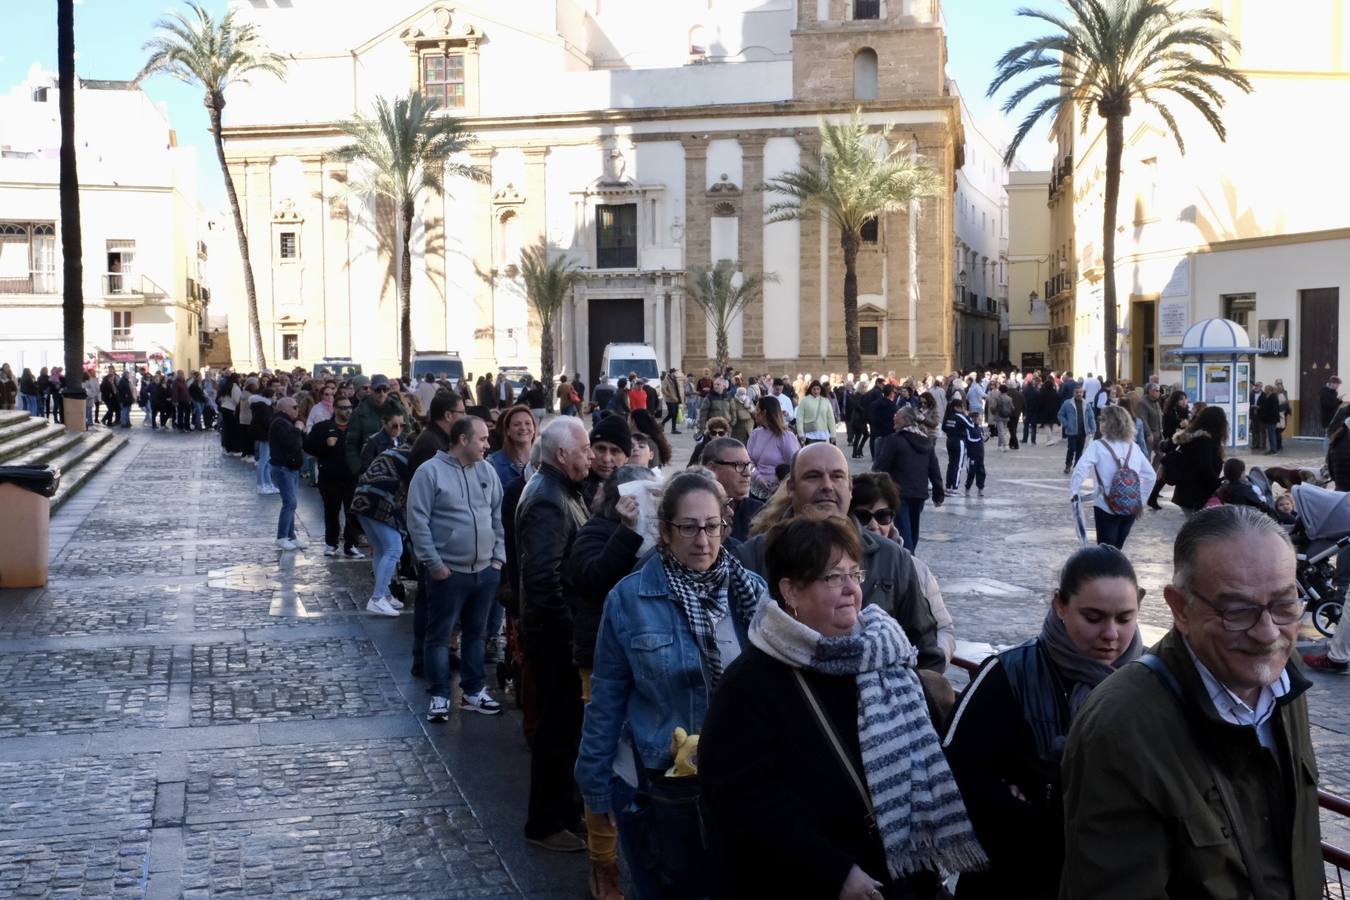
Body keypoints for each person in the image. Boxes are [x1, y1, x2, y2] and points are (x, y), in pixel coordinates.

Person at [701, 516, 984, 900]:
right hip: (809, 883)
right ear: (791, 591)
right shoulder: (750, 683)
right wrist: (833, 871)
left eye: (854, 574)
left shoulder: (888, 656)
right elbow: (746, 800)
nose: (851, 588)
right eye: (832, 577)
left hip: (902, 878)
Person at [1061, 506, 1321, 899]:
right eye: (1237, 610)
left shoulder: (1283, 675)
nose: (1268, 633)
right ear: (1180, 608)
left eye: (1285, 605)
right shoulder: (1121, 726)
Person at [576, 469, 765, 898]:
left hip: (736, 780)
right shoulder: (628, 598)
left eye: (711, 527)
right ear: (664, 530)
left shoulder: (752, 593)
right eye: (688, 528)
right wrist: (596, 788)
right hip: (657, 784)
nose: (702, 540)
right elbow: (606, 697)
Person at [942, 546, 1141, 899]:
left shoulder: (1150, 683)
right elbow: (957, 768)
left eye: (1124, 618)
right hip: (1016, 878)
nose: (1111, 634)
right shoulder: (1008, 674)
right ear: (1060, 606)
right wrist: (1031, 813)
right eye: (1093, 617)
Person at [735, 442, 945, 672]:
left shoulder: (893, 558)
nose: (827, 486)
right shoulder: (753, 556)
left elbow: (926, 653)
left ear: (850, 487)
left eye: (837, 476)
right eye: (813, 476)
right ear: (791, 487)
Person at [566, 465, 654, 896]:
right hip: (599, 661)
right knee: (602, 759)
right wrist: (627, 531)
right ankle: (604, 863)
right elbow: (591, 578)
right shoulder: (596, 531)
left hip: (649, 661)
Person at [518, 416, 594, 853]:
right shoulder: (548, 498)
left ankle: (564, 813)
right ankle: (545, 823)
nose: (590, 455)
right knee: (556, 731)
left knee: (566, 730)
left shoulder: (559, 490)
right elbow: (544, 579)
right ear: (562, 455)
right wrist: (571, 634)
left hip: (559, 632)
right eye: (584, 449)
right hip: (555, 638)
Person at [406, 416, 506, 721]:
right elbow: (417, 521)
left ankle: (473, 691)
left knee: (476, 635)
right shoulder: (429, 472)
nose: (488, 445)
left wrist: (497, 559)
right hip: (448, 572)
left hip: (485, 570)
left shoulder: (487, 471)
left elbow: (497, 516)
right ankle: (439, 695)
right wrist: (434, 565)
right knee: (439, 636)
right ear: (463, 440)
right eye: (483, 439)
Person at [1069, 406, 1155, 550]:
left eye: (1102, 419)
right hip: (1130, 507)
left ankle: (1106, 572)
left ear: (1108, 424)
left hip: (1105, 505)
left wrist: (1073, 492)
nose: (1099, 423)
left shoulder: (1097, 446)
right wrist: (1141, 500)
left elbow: (1080, 470)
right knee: (1117, 549)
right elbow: (1150, 476)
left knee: (1105, 550)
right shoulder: (1134, 447)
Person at [350, 444, 413, 617]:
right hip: (379, 504)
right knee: (394, 549)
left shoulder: (399, 451)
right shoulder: (416, 456)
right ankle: (378, 598)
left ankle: (384, 594)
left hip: (363, 500)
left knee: (381, 550)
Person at [873, 405, 945, 552]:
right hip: (919, 493)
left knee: (904, 532)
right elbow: (934, 469)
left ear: (905, 420)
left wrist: (873, 486)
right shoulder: (926, 441)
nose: (894, 418)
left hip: (899, 493)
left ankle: (909, 563)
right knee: (912, 530)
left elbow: (880, 466)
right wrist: (938, 493)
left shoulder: (894, 440)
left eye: (897, 416)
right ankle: (910, 558)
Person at [304, 394, 363, 558]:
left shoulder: (356, 427)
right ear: (335, 409)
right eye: (343, 408)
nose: (348, 411)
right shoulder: (323, 427)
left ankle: (351, 545)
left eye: (350, 407)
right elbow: (308, 447)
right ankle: (331, 543)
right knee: (331, 511)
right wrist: (325, 445)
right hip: (329, 477)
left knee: (352, 512)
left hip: (352, 477)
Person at [701, 436, 763, 543]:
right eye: (738, 465)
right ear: (712, 469)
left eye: (748, 465)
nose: (747, 473)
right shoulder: (692, 511)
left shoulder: (759, 512)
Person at [1170, 405, 1227, 516]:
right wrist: (1218, 485)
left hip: (1190, 493)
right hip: (1195, 495)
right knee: (1197, 528)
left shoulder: (1197, 438)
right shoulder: (1203, 441)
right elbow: (1205, 468)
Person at [268, 396, 308, 551]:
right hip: (283, 468)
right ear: (284, 409)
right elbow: (290, 442)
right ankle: (282, 536)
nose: (297, 409)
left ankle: (291, 536)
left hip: (291, 467)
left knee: (292, 503)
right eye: (294, 407)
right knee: (290, 502)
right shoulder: (280, 423)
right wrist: (297, 428)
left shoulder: (286, 422)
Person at [346, 374, 404, 475]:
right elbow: (351, 444)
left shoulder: (397, 408)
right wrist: (358, 469)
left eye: (385, 390)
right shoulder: (359, 412)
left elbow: (407, 433)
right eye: (378, 390)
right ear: (372, 390)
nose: (382, 393)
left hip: (395, 466)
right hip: (368, 467)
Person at [747, 396, 800, 488]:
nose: (754, 412)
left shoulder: (786, 437)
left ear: (764, 413)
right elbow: (748, 461)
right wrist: (757, 477)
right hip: (755, 489)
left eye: (757, 409)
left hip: (778, 490)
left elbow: (794, 465)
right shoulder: (755, 434)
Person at [1057, 385, 1096, 474]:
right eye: (1077, 392)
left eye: (1080, 392)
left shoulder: (1086, 404)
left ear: (1083, 393)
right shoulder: (1067, 403)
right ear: (1073, 393)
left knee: (1079, 450)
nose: (1079, 394)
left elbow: (1091, 417)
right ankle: (1068, 465)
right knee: (1071, 448)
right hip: (1071, 431)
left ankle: (1077, 466)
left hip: (1083, 431)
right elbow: (1060, 414)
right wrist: (1066, 424)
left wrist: (1093, 428)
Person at [360, 406, 406, 473]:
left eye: (402, 425)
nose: (399, 429)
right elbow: (366, 467)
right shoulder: (373, 441)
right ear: (384, 423)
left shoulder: (404, 439)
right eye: (394, 426)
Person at [795, 379, 837, 445]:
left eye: (818, 389)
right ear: (810, 390)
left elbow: (830, 418)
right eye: (814, 389)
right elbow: (799, 418)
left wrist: (833, 434)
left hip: (822, 433)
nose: (816, 391)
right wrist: (801, 433)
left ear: (821, 390)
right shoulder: (805, 401)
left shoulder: (825, 401)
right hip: (809, 433)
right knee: (811, 454)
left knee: (821, 454)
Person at [1321, 376, 1342, 453]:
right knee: (1327, 435)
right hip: (1327, 417)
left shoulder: (1334, 392)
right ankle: (1327, 454)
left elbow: (1334, 405)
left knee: (1333, 435)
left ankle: (1332, 453)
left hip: (1334, 416)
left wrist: (1339, 401)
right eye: (1337, 384)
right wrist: (1337, 401)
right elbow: (1326, 405)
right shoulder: (1324, 391)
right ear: (1332, 383)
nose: (1338, 386)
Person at [660, 367, 684, 434]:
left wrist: (680, 398)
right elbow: (663, 390)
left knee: (675, 414)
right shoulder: (666, 380)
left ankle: (673, 429)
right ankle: (662, 423)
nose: (675, 373)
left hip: (676, 399)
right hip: (670, 400)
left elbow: (678, 389)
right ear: (671, 373)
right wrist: (671, 396)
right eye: (674, 372)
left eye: (675, 372)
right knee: (671, 413)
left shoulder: (675, 379)